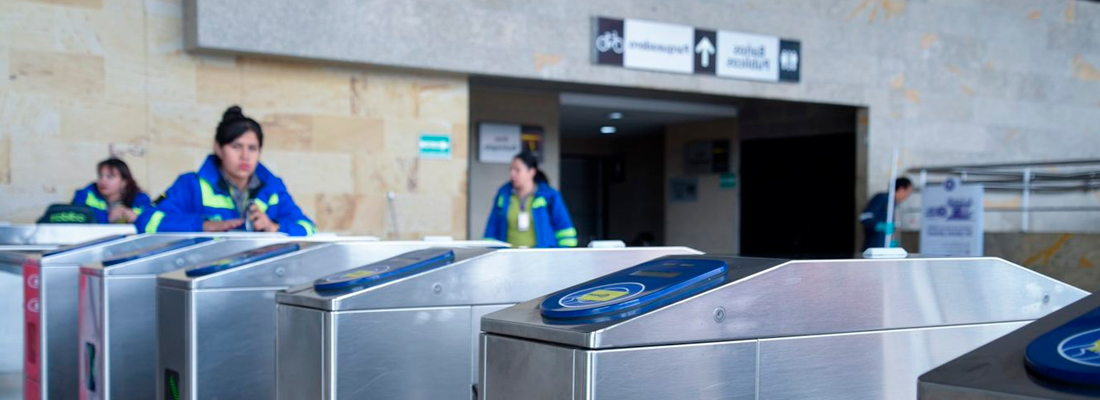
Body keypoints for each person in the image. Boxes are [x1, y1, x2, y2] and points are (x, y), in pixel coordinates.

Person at [136, 106, 316, 236]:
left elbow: (308, 228)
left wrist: (274, 227)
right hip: (205, 279)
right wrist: (204, 225)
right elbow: (146, 220)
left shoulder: (273, 187)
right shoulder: (191, 185)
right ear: (218, 148)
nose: (245, 156)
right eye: (236, 147)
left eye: (252, 148)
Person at [484, 151, 577, 248]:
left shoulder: (549, 195)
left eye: (517, 170)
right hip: (508, 259)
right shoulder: (503, 195)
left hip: (541, 259)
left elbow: (564, 229)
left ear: (531, 172)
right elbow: (492, 227)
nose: (512, 174)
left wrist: (560, 257)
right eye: (511, 169)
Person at [71, 158, 153, 224]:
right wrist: (107, 217)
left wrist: (138, 220)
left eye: (110, 177)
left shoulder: (141, 200)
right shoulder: (85, 195)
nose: (103, 181)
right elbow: (73, 217)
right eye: (100, 176)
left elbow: (153, 222)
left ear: (124, 182)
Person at [859, 177, 913, 250]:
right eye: (908, 192)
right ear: (901, 189)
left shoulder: (894, 205)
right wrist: (879, 226)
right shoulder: (882, 199)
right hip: (875, 249)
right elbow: (864, 217)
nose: (907, 196)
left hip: (885, 250)